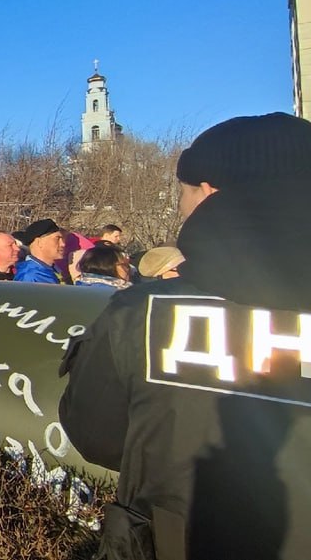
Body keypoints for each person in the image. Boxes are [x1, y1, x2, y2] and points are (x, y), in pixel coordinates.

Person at [60, 112, 311, 559]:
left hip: (177, 537)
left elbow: (96, 433)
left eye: (182, 192)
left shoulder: (143, 313)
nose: (180, 208)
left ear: (209, 192)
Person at [12, 219, 66, 283]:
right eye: (57, 239)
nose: (63, 244)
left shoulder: (50, 271)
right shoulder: (30, 276)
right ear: (40, 243)